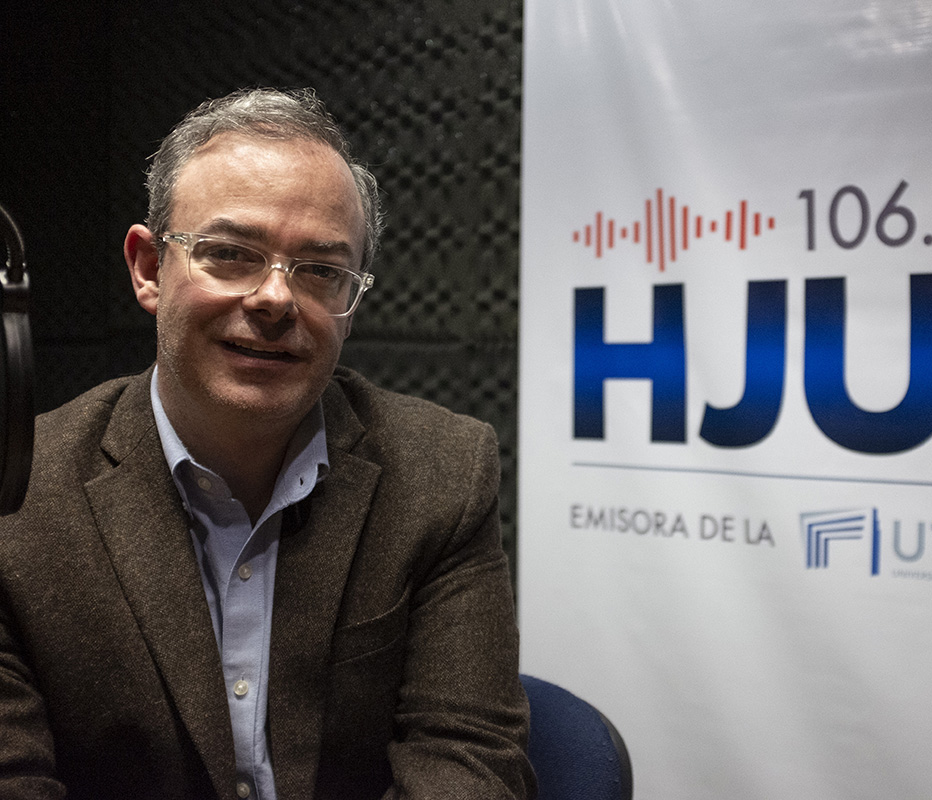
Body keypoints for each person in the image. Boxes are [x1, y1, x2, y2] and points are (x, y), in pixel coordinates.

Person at [0, 88, 535, 800]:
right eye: (229, 254)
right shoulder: (18, 497)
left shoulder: (444, 472)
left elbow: (469, 761)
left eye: (321, 271)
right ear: (148, 268)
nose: (276, 299)